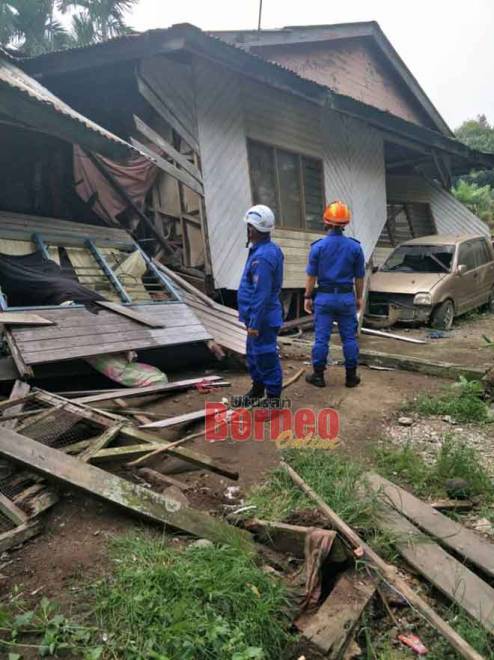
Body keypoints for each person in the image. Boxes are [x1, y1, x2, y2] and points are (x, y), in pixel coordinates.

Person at [304, 200, 365, 388]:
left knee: (321, 338)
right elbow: (359, 277)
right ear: (346, 224)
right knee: (349, 338)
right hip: (346, 297)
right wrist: (359, 297)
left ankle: (319, 376)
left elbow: (311, 276)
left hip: (324, 297)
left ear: (326, 221)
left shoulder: (318, 247)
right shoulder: (355, 247)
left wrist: (307, 296)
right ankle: (351, 377)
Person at [237, 204, 284, 406]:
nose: (247, 230)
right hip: (256, 317)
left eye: (248, 227)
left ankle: (273, 400)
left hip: (262, 318)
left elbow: (261, 293)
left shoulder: (263, 257)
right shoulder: (263, 250)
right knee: (254, 355)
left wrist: (255, 322)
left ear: (253, 229)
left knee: (265, 356)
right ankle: (257, 389)